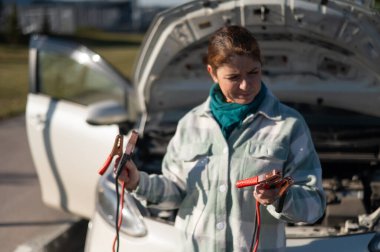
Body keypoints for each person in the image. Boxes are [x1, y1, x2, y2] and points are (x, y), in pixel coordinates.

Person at [120, 25, 326, 252]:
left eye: (253, 73)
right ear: (212, 73)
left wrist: (281, 198)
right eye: (234, 77)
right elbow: (176, 191)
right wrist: (137, 182)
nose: (246, 85)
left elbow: (314, 204)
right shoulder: (190, 124)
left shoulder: (288, 125)